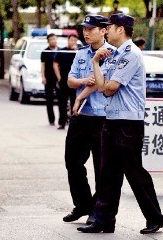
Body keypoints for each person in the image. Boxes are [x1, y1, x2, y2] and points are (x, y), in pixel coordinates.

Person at [77, 13, 163, 235]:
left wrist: (103, 82)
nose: (106, 31)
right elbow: (100, 87)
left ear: (121, 29)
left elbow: (110, 87)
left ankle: (155, 217)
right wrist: (96, 61)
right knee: (108, 172)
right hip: (112, 119)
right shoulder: (113, 55)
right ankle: (103, 220)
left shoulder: (131, 54)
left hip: (129, 122)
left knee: (134, 171)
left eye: (110, 27)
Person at [61, 15, 115, 225]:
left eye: (91, 29)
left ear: (103, 31)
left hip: (103, 117)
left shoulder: (111, 54)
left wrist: (85, 88)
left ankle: (98, 210)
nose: (86, 32)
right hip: (81, 116)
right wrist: (84, 81)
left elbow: (103, 83)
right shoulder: (81, 53)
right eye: (84, 28)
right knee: (72, 161)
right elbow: (70, 81)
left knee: (101, 167)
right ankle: (82, 204)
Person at [53, 34, 79, 129]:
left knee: (74, 102)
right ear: (68, 40)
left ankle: (73, 123)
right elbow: (55, 63)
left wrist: (76, 51)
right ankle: (62, 122)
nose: (73, 42)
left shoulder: (79, 52)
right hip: (64, 80)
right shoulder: (62, 51)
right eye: (71, 40)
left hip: (75, 81)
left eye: (74, 40)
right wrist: (58, 77)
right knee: (62, 103)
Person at [41, 33, 59, 125]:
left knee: (61, 99)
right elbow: (42, 65)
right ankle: (51, 119)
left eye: (55, 39)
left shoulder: (60, 51)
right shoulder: (45, 52)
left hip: (59, 78)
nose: (54, 41)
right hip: (48, 78)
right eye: (51, 39)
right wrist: (43, 77)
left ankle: (62, 119)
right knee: (49, 99)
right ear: (48, 41)